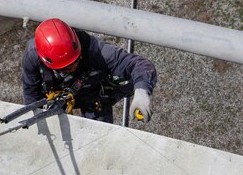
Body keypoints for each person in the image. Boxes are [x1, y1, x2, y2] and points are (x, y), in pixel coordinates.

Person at [21, 18, 157, 124]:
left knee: (98, 137)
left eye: (74, 62)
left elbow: (139, 65)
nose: (72, 68)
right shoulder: (33, 54)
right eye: (64, 67)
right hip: (57, 97)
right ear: (44, 59)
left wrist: (142, 91)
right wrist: (36, 113)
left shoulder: (96, 51)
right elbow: (30, 88)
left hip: (92, 96)